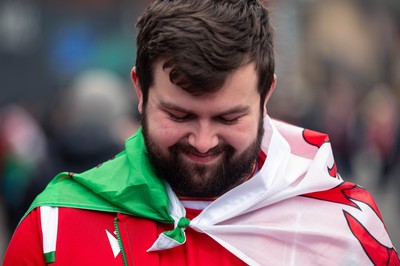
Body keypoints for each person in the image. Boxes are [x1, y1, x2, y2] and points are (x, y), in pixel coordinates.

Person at [3, 0, 399, 265]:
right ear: (140, 90)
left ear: (266, 96)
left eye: (228, 119)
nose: (203, 142)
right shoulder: (56, 224)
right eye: (179, 115)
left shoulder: (341, 227)